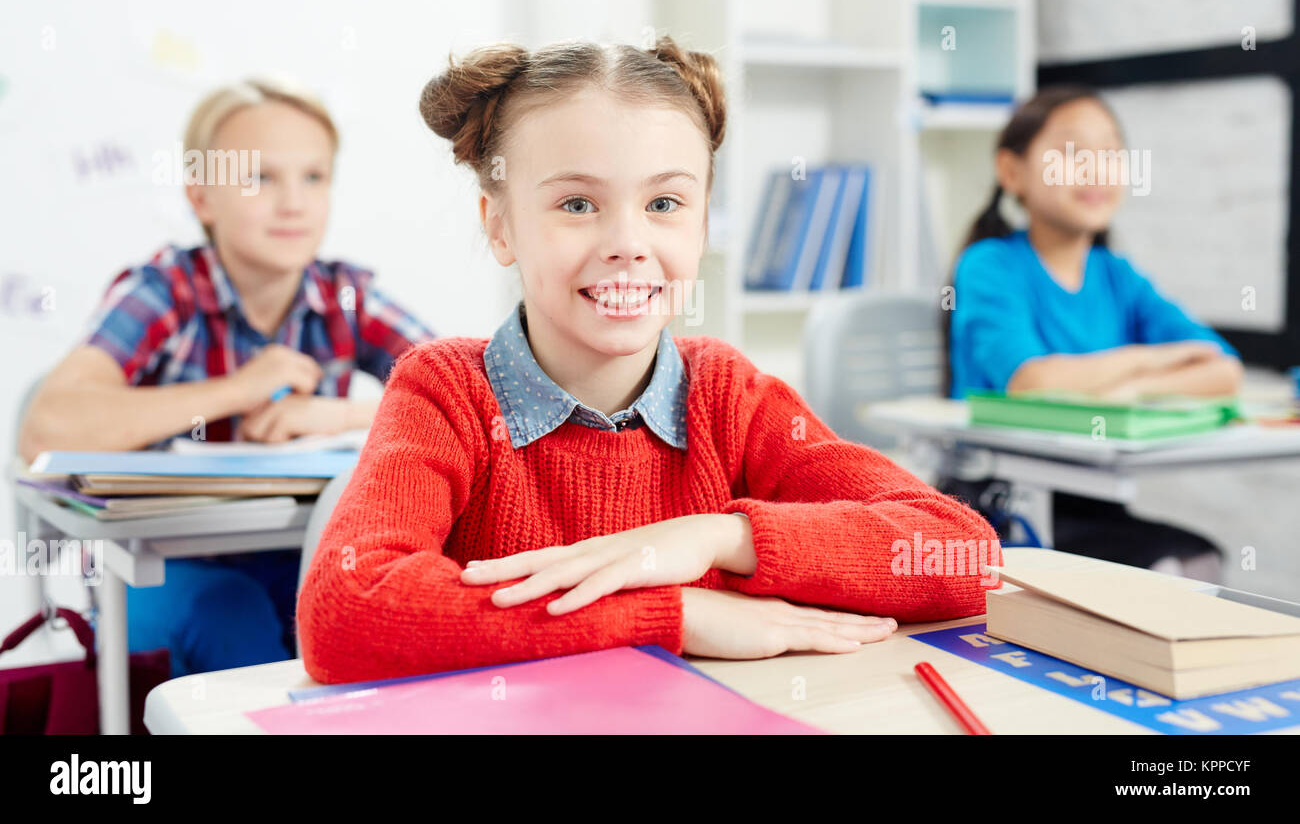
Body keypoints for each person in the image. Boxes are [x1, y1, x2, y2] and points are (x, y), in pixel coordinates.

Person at [297, 36, 1001, 684]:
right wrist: (672, 618)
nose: (628, 242)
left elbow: (963, 555)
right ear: (500, 224)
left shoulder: (731, 396)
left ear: (700, 221)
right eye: (577, 203)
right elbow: (346, 612)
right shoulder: (445, 393)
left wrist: (715, 537)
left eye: (664, 202)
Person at [19, 78, 436, 676]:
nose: (293, 202)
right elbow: (47, 428)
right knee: (230, 614)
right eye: (259, 178)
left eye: (313, 177)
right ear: (202, 198)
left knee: (375, 605)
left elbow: (472, 394)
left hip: (299, 550)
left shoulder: (345, 294)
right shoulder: (164, 290)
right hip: (159, 569)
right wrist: (238, 389)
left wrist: (341, 414)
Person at [943, 85, 1243, 581]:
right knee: (1172, 568)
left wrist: (1133, 389)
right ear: (1012, 172)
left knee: (1198, 561)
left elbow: (1223, 370)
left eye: (1110, 153)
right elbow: (1031, 381)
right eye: (1071, 153)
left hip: (1092, 499)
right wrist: (1148, 360)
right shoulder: (990, 265)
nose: (1096, 169)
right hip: (995, 506)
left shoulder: (1116, 274)